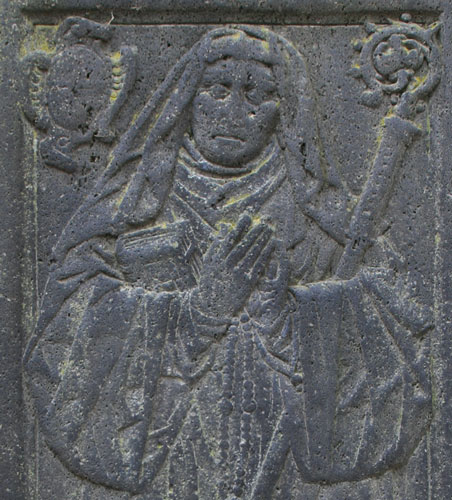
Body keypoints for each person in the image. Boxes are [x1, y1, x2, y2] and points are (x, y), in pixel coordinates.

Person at [25, 26, 433, 499]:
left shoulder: (323, 223)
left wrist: (287, 319)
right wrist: (198, 314)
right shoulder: (132, 207)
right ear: (187, 97)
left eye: (257, 94)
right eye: (217, 89)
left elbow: (407, 357)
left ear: (285, 110)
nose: (234, 111)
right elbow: (60, 350)